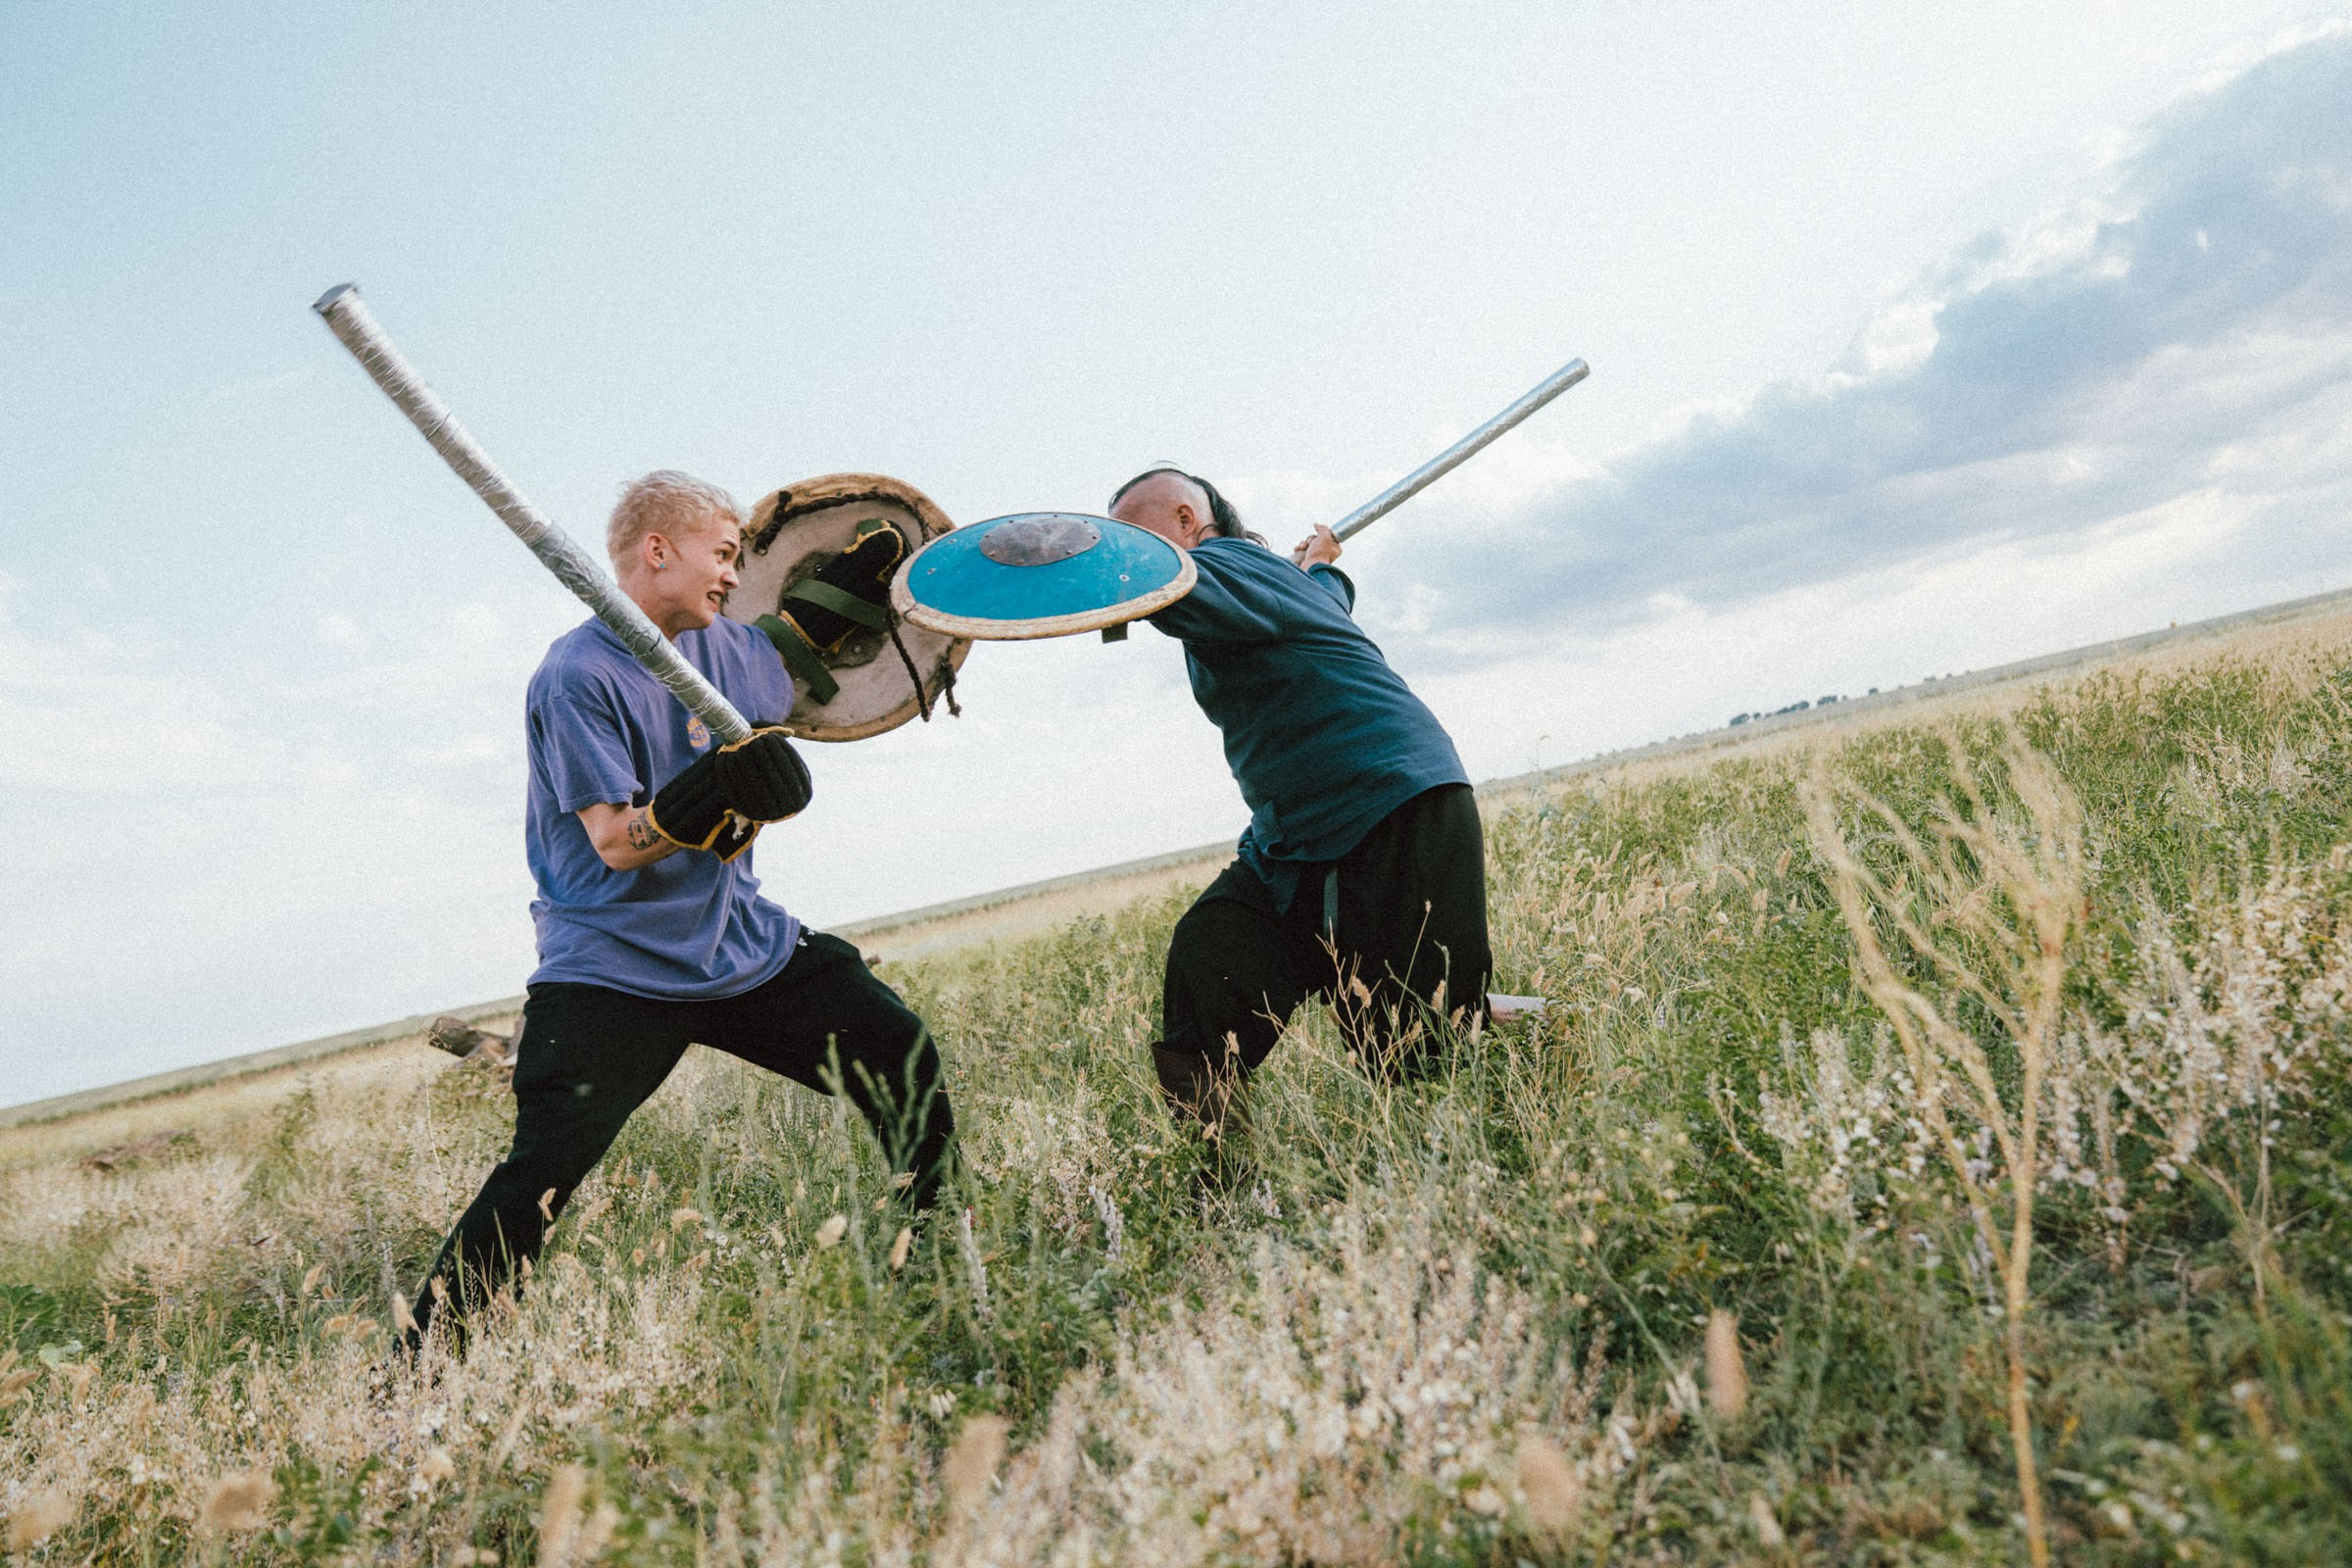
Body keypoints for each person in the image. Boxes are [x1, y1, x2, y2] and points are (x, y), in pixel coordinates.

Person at [400, 470, 956, 1353]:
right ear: (657, 552)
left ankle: (933, 1267)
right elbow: (616, 844)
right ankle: (414, 1376)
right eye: (724, 555)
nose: (736, 576)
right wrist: (704, 794)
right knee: (540, 1176)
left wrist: (865, 583)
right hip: (612, 967)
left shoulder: (733, 650)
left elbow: (813, 651)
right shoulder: (575, 675)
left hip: (742, 948)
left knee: (902, 1060)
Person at [1107, 466, 1492, 1149]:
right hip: (1296, 836)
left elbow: (1169, 594)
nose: (1121, 554)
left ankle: (1549, 1047)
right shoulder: (1272, 582)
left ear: (1188, 521)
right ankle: (1223, 1197)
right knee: (1210, 963)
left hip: (1391, 801)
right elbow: (1324, 600)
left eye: (1132, 536)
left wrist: (1060, 568)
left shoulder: (1225, 566)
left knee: (1413, 1041)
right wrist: (1322, 567)